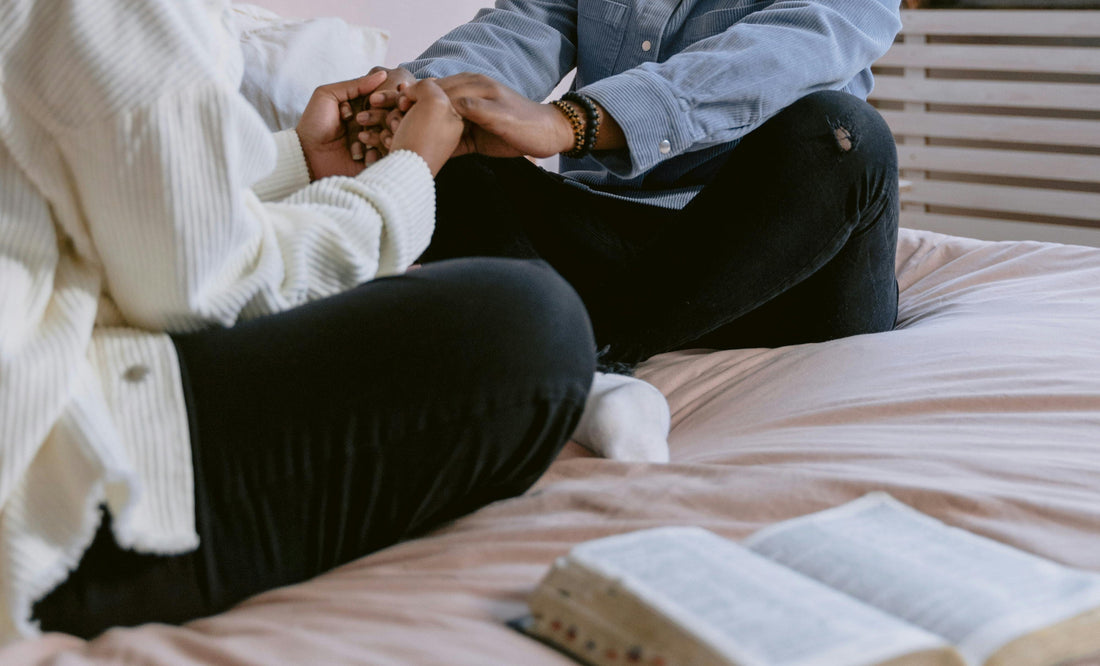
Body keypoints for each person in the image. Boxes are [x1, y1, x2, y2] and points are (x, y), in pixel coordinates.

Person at [0, 0, 599, 645]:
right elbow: (199, 288)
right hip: (38, 470)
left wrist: (303, 166)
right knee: (531, 323)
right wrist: (400, 182)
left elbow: (114, 205)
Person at [353, 0, 904, 367]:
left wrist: (574, 121)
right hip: (602, 237)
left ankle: (594, 353)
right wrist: (413, 99)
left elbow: (799, 42)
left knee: (845, 136)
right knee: (439, 153)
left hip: (777, 268)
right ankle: (586, 341)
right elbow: (526, 25)